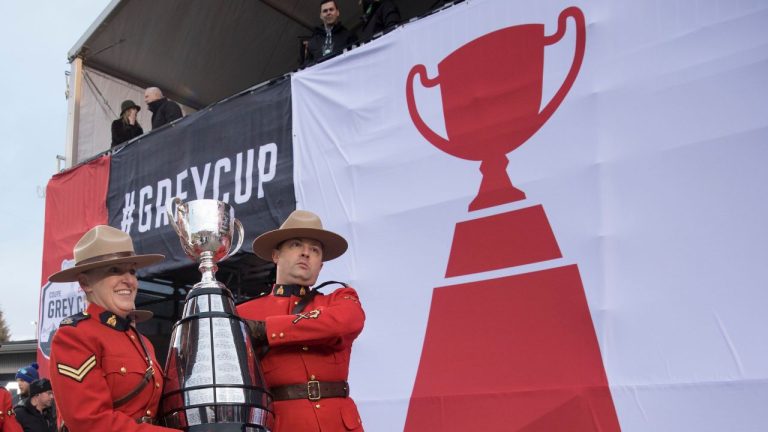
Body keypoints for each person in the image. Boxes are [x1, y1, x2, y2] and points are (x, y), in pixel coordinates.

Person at [237, 210, 365, 431]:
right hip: (284, 422)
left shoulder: (340, 299)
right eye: (296, 245)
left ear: (321, 265)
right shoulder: (241, 312)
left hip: (339, 424)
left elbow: (346, 322)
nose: (306, 253)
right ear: (276, 255)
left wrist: (267, 330)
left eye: (315, 250)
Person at [47, 225, 178, 431]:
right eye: (114, 270)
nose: (128, 280)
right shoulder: (75, 336)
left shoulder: (143, 343)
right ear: (85, 283)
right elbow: (90, 422)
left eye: (132, 271)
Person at [302, 0, 358, 67]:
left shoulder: (349, 36)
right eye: (325, 11)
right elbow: (306, 68)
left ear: (337, 12)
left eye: (331, 9)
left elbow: (356, 61)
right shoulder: (312, 42)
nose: (328, 13)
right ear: (321, 15)